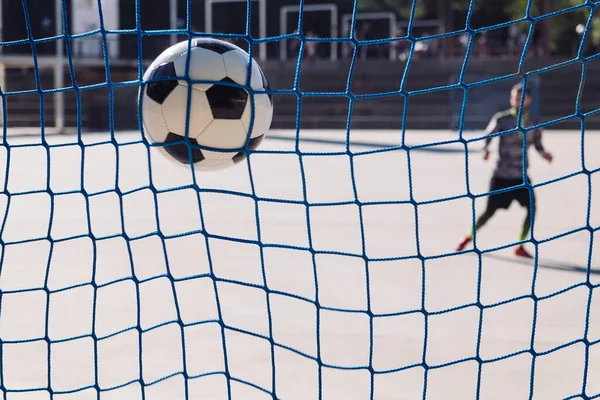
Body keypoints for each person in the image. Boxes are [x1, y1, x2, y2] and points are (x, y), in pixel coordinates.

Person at [456, 82, 553, 258]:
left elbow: (537, 144)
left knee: (532, 208)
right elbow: (488, 136)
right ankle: (468, 236)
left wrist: (544, 154)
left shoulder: (534, 122)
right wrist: (485, 150)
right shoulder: (502, 118)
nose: (517, 100)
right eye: (514, 97)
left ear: (529, 100)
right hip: (501, 174)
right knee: (488, 212)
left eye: (522, 97)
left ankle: (520, 244)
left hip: (521, 176)